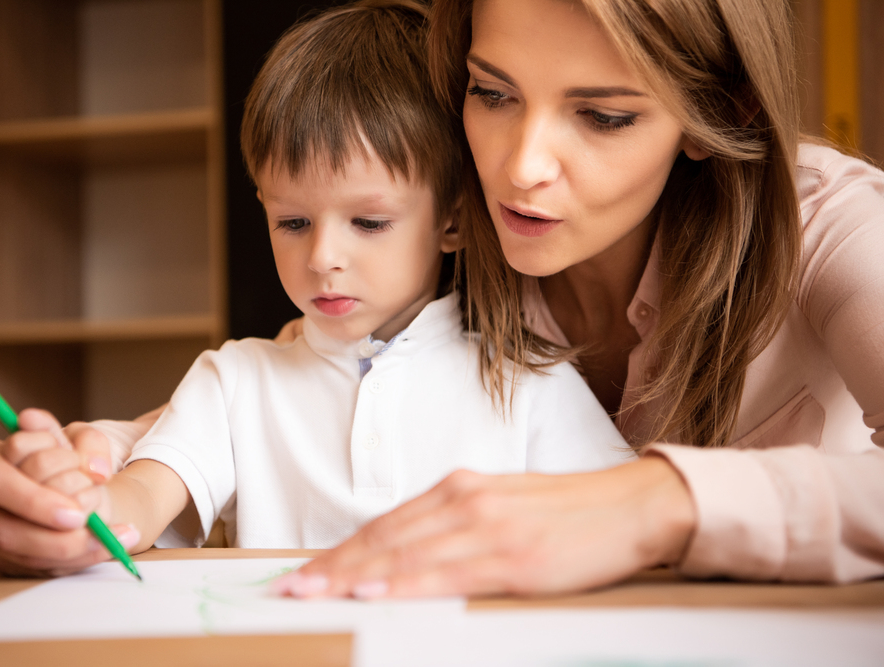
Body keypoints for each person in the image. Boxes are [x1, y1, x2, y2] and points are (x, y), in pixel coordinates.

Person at [0, 0, 632, 576]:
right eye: (292, 220)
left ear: (451, 218)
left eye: (368, 221)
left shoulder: (530, 377)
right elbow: (142, 497)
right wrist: (75, 504)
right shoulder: (234, 379)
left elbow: (626, 525)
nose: (324, 256)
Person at [265, 0, 884, 599]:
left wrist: (660, 502)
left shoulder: (832, 228)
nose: (522, 167)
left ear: (720, 110)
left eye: (603, 116)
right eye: (492, 92)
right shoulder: (434, 232)